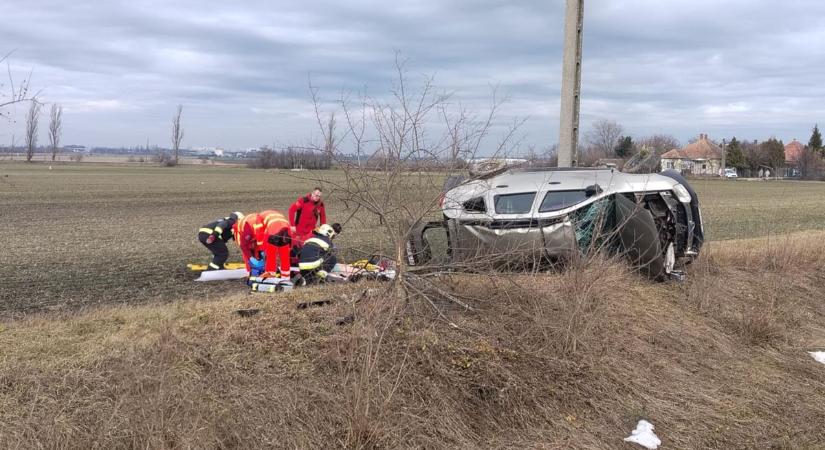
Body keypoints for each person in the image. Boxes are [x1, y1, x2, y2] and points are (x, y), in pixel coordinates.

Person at [259, 210, 293, 279]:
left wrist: (262, 248)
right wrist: (290, 246)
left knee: (271, 256)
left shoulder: (259, 217)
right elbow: (290, 233)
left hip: (273, 233)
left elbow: (262, 233)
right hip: (286, 232)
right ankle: (286, 278)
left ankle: (270, 277)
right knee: (285, 258)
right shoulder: (279, 216)